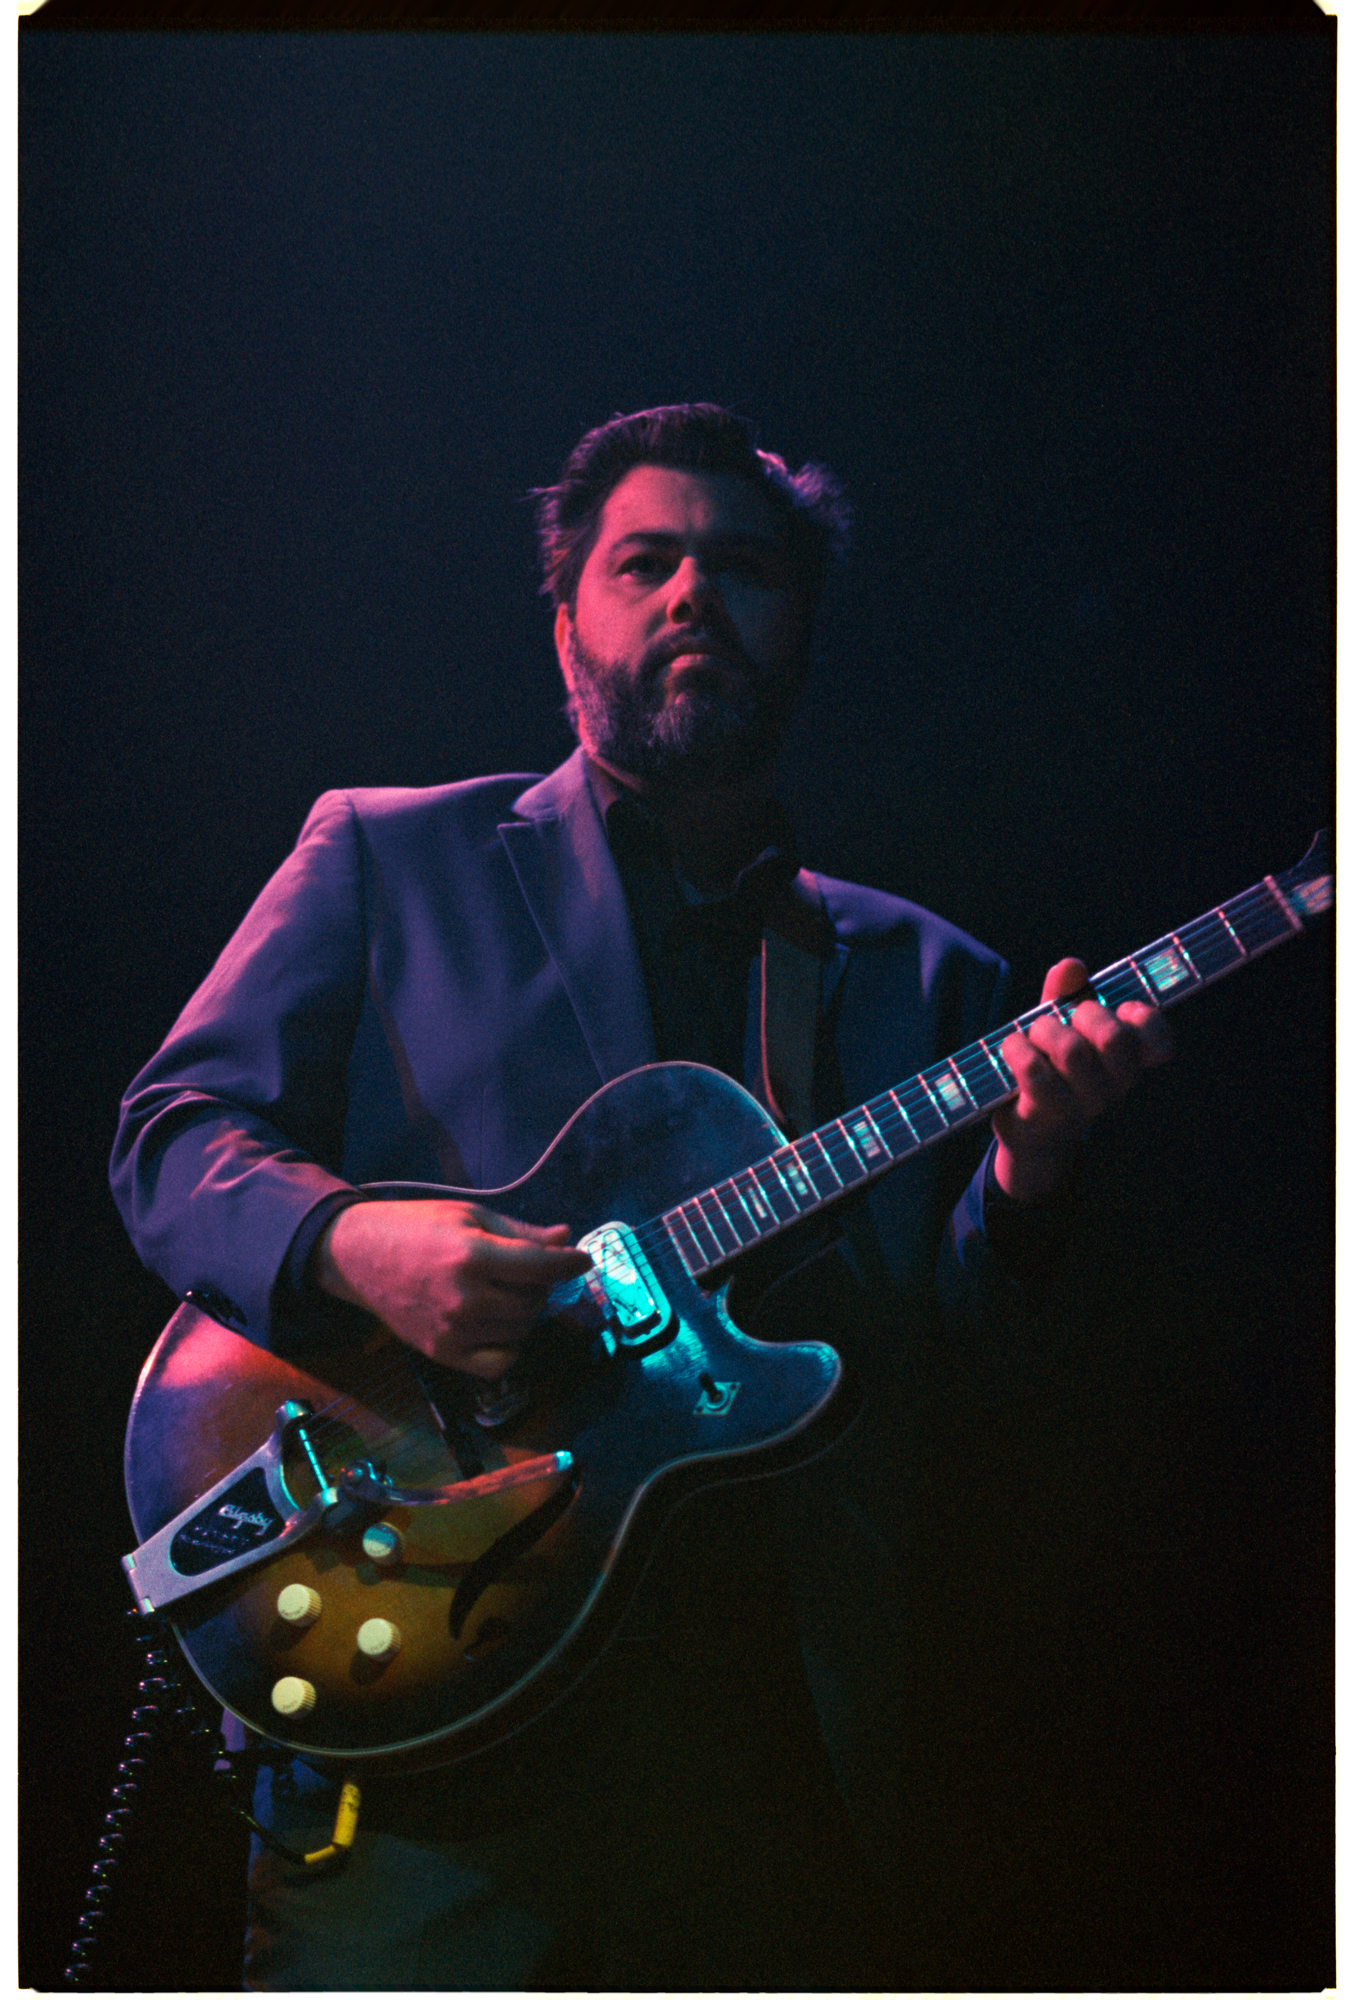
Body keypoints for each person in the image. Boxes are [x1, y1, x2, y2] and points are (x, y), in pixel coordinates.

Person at [111, 403, 1170, 1990]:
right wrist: (351, 1241)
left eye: (742, 567)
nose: (693, 595)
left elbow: (960, 1387)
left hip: (772, 1772)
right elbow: (171, 1135)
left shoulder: (930, 977)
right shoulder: (391, 857)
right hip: (431, 1753)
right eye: (645, 562)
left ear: (800, 629)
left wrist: (1031, 1173)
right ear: (566, 626)